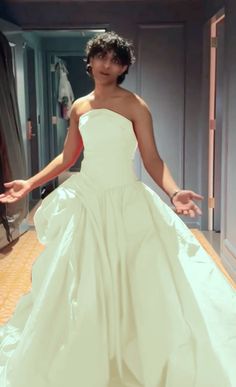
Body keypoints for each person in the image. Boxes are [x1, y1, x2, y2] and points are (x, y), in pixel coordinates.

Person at [0, 31, 235, 387]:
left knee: (136, 277)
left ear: (123, 67)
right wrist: (29, 183)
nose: (107, 65)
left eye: (115, 60)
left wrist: (174, 194)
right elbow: (68, 156)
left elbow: (152, 159)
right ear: (91, 60)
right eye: (101, 57)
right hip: (87, 201)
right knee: (80, 279)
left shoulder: (135, 105)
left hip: (126, 199)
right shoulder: (80, 106)